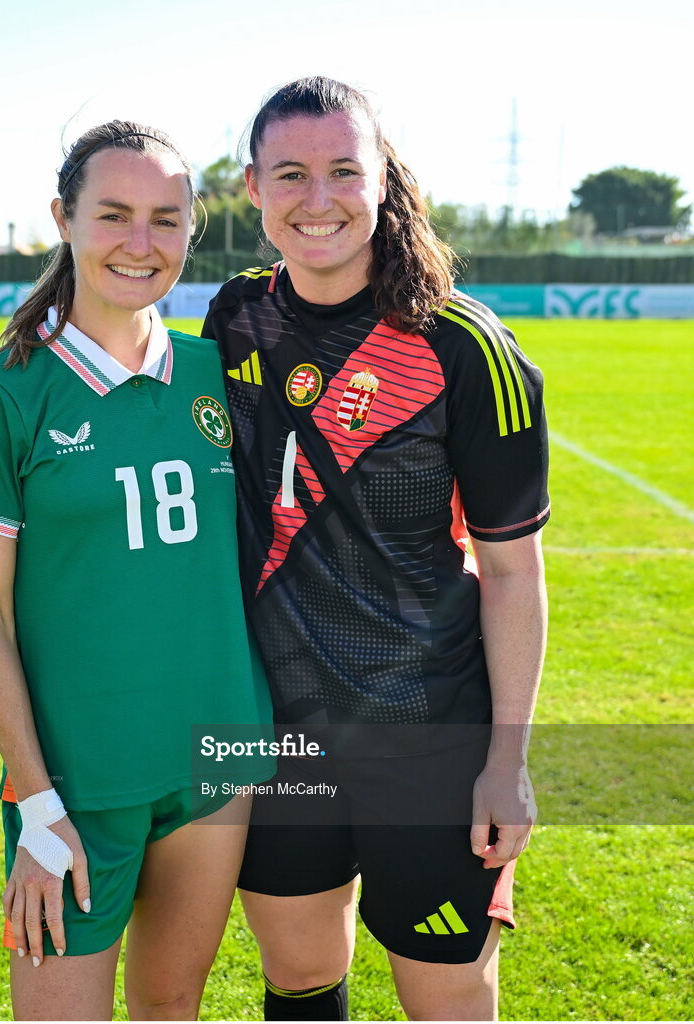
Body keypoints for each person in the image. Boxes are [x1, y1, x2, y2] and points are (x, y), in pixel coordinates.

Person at [202, 77, 549, 1022]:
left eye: (344, 171)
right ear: (252, 188)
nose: (318, 199)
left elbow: (512, 570)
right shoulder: (234, 317)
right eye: (291, 174)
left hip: (427, 732)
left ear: (383, 178)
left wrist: (504, 761)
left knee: (444, 997)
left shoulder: (465, 347)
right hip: (277, 737)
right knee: (301, 977)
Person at [0, 120, 272, 1021]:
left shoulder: (218, 374)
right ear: (63, 219)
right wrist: (35, 806)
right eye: (113, 214)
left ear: (192, 230)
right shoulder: (0, 394)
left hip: (218, 757)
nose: (139, 242)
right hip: (75, 788)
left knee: (173, 1009)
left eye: (165, 219)